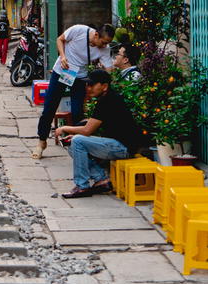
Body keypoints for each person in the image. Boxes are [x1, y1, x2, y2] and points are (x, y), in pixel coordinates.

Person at [54, 69, 146, 198]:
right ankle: (101, 179)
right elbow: (92, 126)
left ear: (104, 86)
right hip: (115, 143)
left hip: (123, 147)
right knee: (73, 145)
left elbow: (87, 130)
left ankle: (82, 186)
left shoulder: (108, 101)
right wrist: (75, 135)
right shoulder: (106, 98)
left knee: (77, 141)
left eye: (92, 84)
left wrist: (64, 128)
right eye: (87, 84)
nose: (88, 88)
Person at [32, 23, 116, 159]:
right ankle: (41, 142)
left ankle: (78, 145)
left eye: (107, 43)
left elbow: (108, 69)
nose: (104, 45)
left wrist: (112, 83)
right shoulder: (79, 30)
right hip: (62, 71)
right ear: (96, 35)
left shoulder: (104, 49)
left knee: (78, 112)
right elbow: (60, 39)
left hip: (80, 77)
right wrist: (63, 56)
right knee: (49, 107)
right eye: (103, 42)